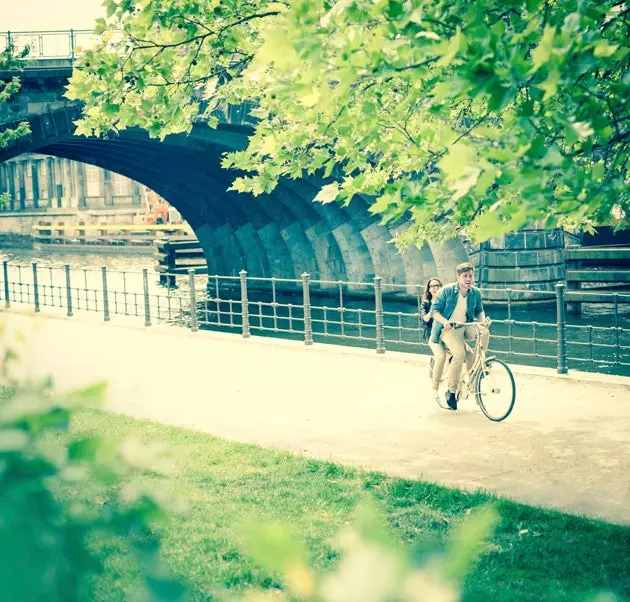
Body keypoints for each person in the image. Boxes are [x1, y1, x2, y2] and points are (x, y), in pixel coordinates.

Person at [430, 262, 490, 411]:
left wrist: (482, 321)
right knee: (461, 353)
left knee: (484, 332)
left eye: (471, 276)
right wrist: (445, 322)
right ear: (458, 277)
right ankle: (451, 391)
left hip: (465, 326)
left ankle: (478, 366)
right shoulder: (446, 291)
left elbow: (478, 310)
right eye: (465, 276)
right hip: (448, 330)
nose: (468, 279)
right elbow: (434, 311)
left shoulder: (475, 292)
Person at [420, 277, 446, 396]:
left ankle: (435, 365)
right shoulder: (426, 303)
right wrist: (433, 310)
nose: (435, 288)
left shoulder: (444, 300)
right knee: (440, 355)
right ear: (429, 290)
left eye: (438, 285)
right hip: (431, 333)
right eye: (433, 286)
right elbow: (424, 318)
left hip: (444, 332)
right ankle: (435, 378)